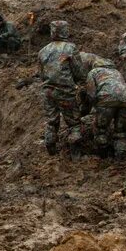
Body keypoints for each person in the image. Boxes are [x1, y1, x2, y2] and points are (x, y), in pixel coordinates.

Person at [38, 20, 86, 156]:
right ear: (65, 31)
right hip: (66, 91)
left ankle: (51, 146)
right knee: (73, 123)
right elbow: (78, 71)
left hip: (48, 91)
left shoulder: (42, 51)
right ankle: (75, 153)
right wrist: (81, 84)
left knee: (52, 121)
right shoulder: (70, 48)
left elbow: (41, 75)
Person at [84, 57, 126, 159]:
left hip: (107, 99)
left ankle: (104, 156)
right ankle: (120, 159)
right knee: (121, 132)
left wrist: (93, 108)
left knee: (100, 129)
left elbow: (91, 93)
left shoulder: (93, 72)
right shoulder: (116, 72)